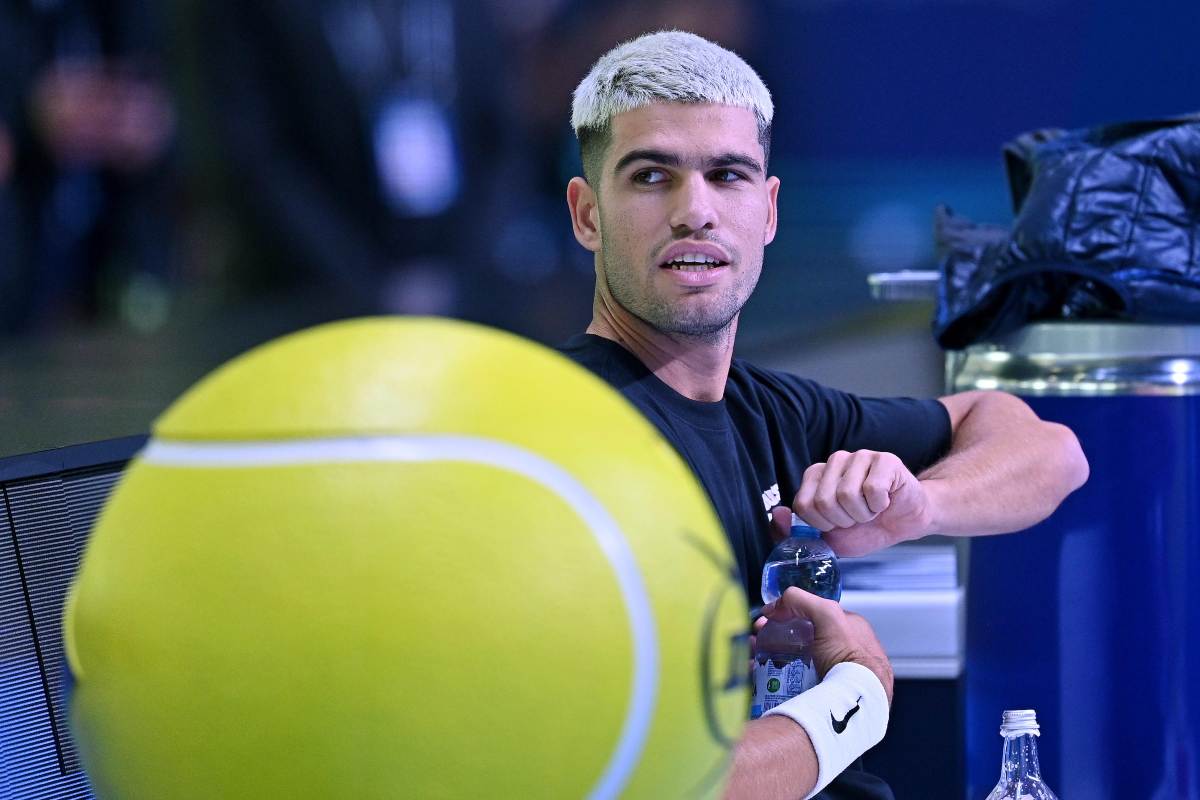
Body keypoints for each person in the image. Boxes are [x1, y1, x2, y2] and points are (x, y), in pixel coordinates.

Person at [558, 30, 1089, 799]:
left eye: (728, 175)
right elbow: (641, 784)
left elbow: (1049, 451)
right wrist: (857, 697)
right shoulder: (566, 432)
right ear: (586, 215)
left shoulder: (777, 413)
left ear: (768, 211)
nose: (695, 212)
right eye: (651, 177)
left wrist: (917, 505)